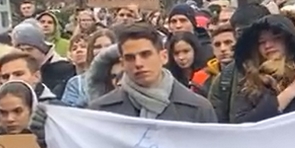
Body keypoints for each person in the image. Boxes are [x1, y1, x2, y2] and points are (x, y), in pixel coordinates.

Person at [88, 24, 216, 123]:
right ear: (122, 63)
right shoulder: (101, 111)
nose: (138, 63)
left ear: (164, 56)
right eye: (130, 57)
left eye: (146, 55)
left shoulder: (198, 109)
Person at [230, 15, 295, 122]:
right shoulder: (249, 85)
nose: (268, 45)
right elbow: (242, 125)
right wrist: (289, 93)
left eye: (276, 38)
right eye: (261, 42)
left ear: (288, 41)